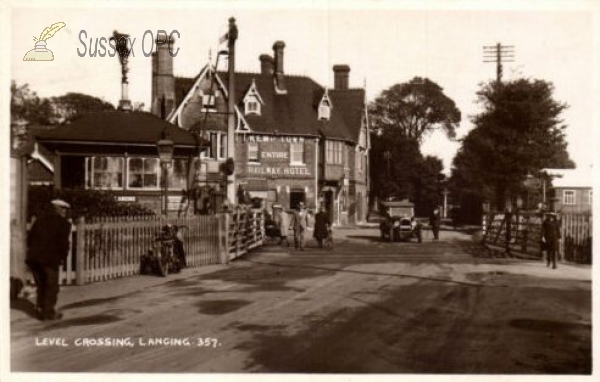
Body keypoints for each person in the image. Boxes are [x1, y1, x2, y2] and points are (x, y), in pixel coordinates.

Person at [26, 199, 72, 320]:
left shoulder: (39, 220)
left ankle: (40, 308)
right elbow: (64, 244)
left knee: (41, 284)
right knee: (52, 286)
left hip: (34, 258)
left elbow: (30, 239)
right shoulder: (64, 224)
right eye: (63, 209)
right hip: (50, 259)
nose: (65, 212)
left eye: (65, 209)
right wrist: (62, 257)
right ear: (57, 209)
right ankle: (48, 313)